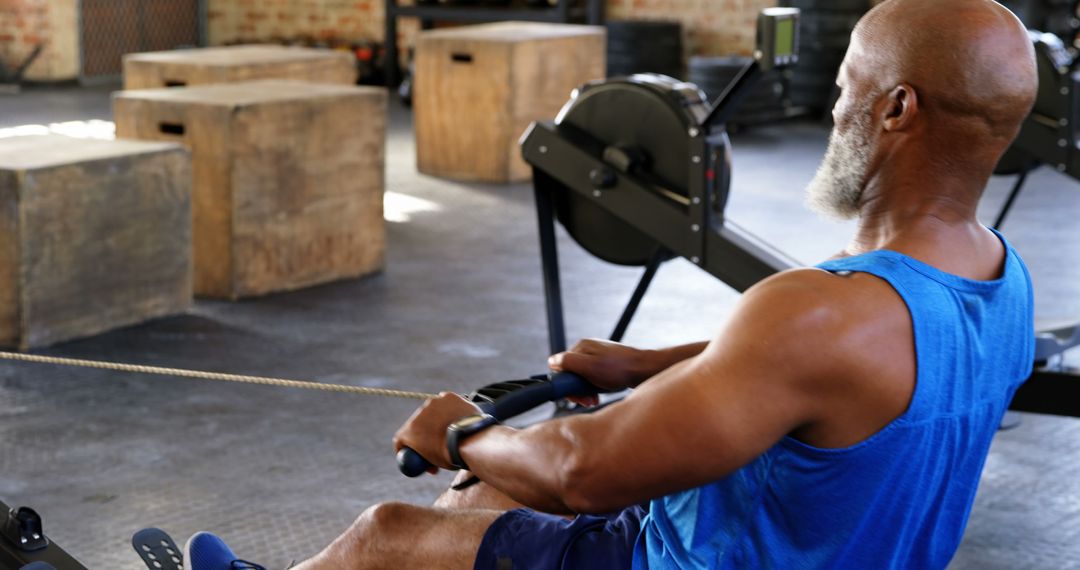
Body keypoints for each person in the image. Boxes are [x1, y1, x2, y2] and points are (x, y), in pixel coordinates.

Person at [184, 0, 1038, 567]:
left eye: (848, 85)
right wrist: (651, 364)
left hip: (676, 558)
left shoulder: (818, 311)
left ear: (896, 110)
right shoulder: (1002, 276)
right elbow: (856, 374)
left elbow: (583, 472)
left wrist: (458, 434)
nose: (833, 108)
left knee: (389, 533)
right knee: (486, 495)